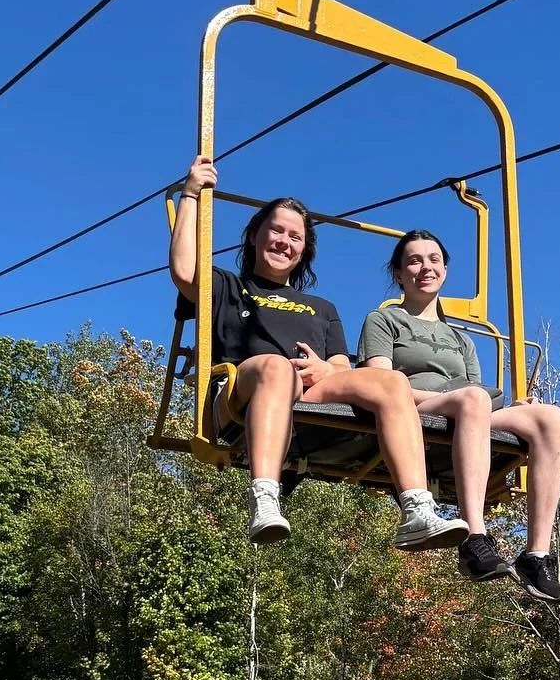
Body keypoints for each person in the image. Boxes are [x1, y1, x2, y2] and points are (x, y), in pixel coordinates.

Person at [168, 158, 468, 551]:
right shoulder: (227, 286)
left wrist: (324, 368)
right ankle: (265, 497)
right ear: (255, 236)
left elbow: (341, 366)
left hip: (310, 390)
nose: (284, 242)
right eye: (276, 230)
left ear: (304, 249)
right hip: (244, 389)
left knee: (391, 380)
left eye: (295, 237)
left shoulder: (322, 308)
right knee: (278, 368)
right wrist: (190, 196)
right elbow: (185, 270)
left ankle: (416, 508)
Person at [358, 229, 560, 604]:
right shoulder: (384, 321)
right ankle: (475, 536)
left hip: (465, 408)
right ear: (399, 274)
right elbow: (379, 382)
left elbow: (475, 398)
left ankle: (537, 555)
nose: (426, 267)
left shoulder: (462, 339)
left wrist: (504, 408)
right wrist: (457, 397)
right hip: (411, 408)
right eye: (415, 260)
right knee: (472, 399)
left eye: (434, 259)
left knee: (550, 418)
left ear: (444, 269)